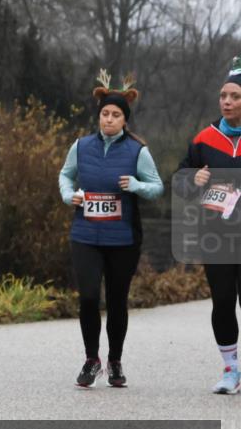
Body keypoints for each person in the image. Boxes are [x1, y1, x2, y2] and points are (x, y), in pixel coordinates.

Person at [58, 71, 164, 388]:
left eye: (116, 115)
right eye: (105, 113)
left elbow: (157, 187)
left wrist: (135, 185)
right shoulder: (81, 146)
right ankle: (92, 360)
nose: (109, 119)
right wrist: (68, 194)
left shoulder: (138, 151)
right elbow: (66, 175)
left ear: (124, 119)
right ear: (99, 116)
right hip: (86, 235)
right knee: (89, 297)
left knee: (117, 300)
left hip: (123, 238)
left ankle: (115, 361)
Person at [178, 55, 241, 394]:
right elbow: (180, 184)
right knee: (222, 302)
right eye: (223, 96)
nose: (227, 102)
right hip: (217, 237)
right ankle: (231, 370)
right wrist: (194, 180)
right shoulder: (205, 139)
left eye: (235, 96)